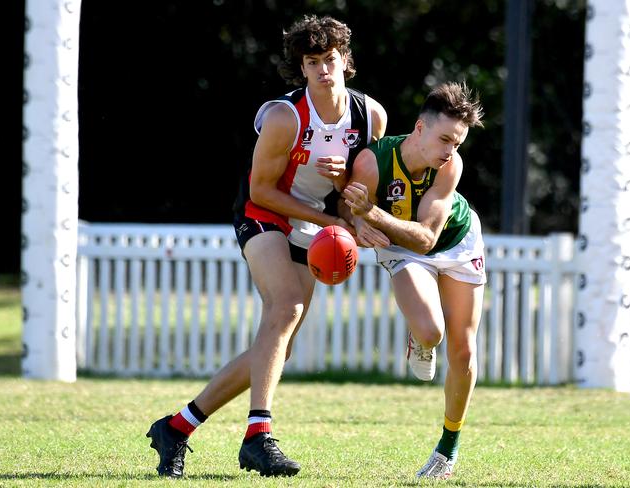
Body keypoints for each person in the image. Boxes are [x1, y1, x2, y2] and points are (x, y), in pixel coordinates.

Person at [146, 14, 387, 478]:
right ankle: (258, 437)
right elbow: (261, 190)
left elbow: (362, 187)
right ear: (301, 67)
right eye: (312, 61)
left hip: (316, 220)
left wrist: (352, 205)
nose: (322, 70)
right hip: (265, 213)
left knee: (279, 347)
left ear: (345, 61)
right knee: (287, 308)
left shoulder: (369, 116)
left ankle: (176, 427)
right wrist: (332, 221)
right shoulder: (283, 116)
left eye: (330, 59)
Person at [342, 81, 485, 480]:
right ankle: (419, 338)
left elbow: (426, 238)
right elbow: (346, 202)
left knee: (464, 353)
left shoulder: (450, 165)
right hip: (400, 246)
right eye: (444, 140)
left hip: (454, 241)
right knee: (431, 331)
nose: (449, 152)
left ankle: (447, 449)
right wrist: (357, 218)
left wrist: (371, 214)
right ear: (419, 129)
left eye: (457, 143)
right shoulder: (373, 162)